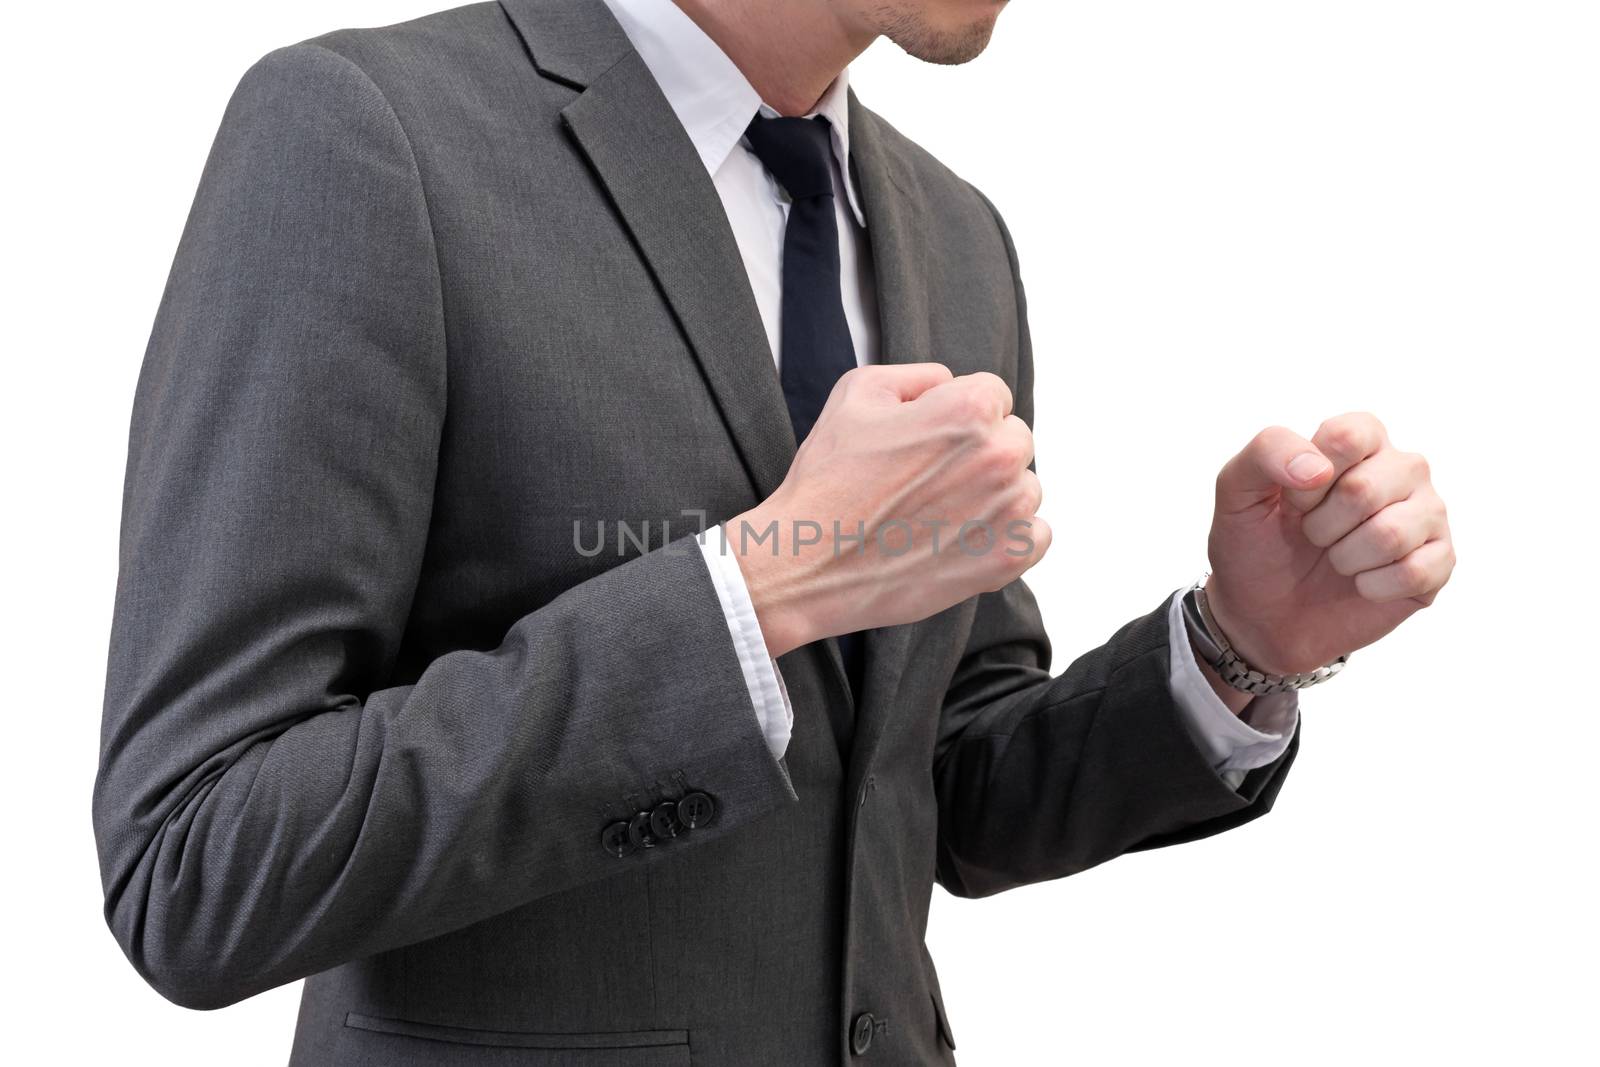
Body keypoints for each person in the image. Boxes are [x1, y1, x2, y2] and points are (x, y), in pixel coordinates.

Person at [93, 0, 1455, 1062]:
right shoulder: (363, 137)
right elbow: (195, 861)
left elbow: (938, 794)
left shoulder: (954, 235)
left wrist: (1237, 647)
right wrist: (758, 589)